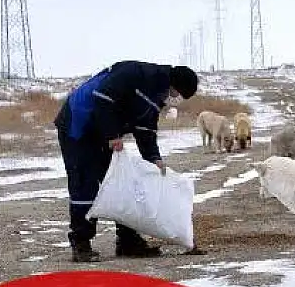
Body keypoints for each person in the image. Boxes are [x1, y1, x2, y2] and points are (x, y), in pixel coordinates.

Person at [53, 61, 199, 262]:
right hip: (78, 125)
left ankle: (127, 241)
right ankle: (81, 243)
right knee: (85, 185)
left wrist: (154, 159)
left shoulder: (156, 93)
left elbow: (146, 129)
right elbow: (103, 99)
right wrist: (113, 135)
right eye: (177, 94)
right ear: (174, 84)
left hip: (102, 131)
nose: (174, 98)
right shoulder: (135, 74)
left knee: (122, 183)